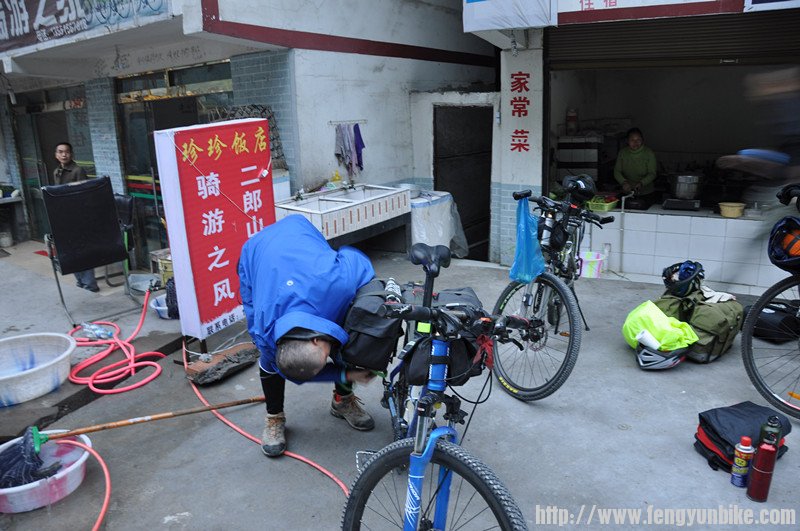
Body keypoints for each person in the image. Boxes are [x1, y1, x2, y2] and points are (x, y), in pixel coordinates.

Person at [238, 214, 377, 457]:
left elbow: (355, 258)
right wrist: (350, 373)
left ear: (314, 340)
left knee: (351, 335)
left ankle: (342, 400)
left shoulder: (338, 283)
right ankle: (274, 417)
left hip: (300, 233)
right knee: (269, 365)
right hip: (256, 254)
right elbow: (295, 371)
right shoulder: (265, 333)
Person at [53, 142, 99, 293]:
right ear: (56, 155)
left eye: (66, 152)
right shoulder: (57, 172)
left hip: (79, 217)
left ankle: (90, 283)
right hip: (64, 217)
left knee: (83, 250)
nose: (64, 155)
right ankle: (80, 281)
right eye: (60, 152)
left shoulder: (78, 171)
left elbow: (84, 194)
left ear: (71, 154)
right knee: (72, 250)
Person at [613, 127, 657, 207]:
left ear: (642, 140)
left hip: (646, 194)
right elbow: (617, 171)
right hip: (627, 193)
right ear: (627, 141)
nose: (635, 143)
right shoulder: (623, 153)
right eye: (632, 140)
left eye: (638, 140)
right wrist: (624, 182)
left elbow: (652, 173)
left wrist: (641, 183)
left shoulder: (649, 153)